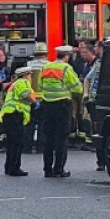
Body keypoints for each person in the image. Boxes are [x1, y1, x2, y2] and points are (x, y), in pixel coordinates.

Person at [39, 45, 83, 178]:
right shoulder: (66, 68)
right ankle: (59, 169)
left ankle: (47, 169)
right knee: (62, 138)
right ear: (67, 56)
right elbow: (77, 88)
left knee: (49, 138)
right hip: (62, 106)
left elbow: (41, 85)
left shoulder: (46, 67)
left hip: (47, 106)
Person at [0, 65, 37, 177]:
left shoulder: (14, 84)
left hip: (8, 114)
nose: (31, 77)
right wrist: (35, 103)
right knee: (18, 142)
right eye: (30, 75)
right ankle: (14, 168)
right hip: (15, 114)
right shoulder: (23, 82)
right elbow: (25, 95)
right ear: (26, 75)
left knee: (11, 142)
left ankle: (9, 167)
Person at [82, 39, 105, 171]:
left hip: (103, 100)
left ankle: (104, 159)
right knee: (96, 130)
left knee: (101, 130)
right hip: (94, 100)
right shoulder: (99, 64)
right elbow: (87, 78)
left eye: (96, 46)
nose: (94, 49)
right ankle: (100, 161)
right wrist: (86, 95)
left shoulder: (109, 63)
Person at [26, 43, 51, 153]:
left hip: (30, 98)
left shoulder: (28, 65)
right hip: (44, 99)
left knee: (29, 123)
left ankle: (27, 147)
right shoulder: (49, 65)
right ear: (46, 54)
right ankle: (41, 148)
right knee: (42, 124)